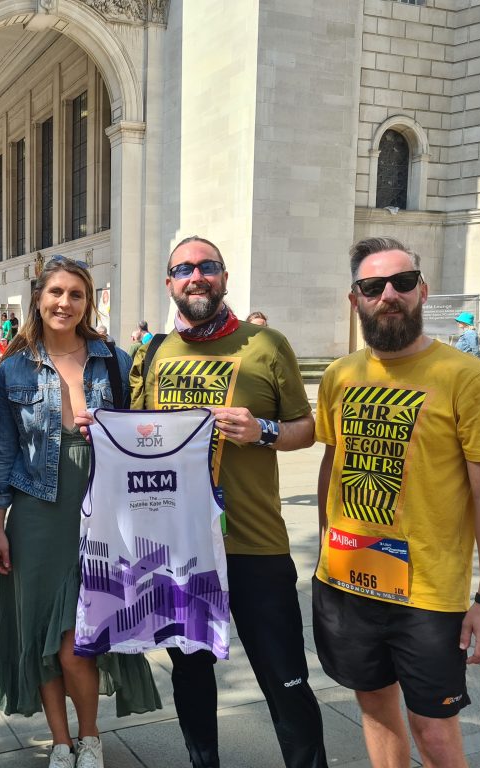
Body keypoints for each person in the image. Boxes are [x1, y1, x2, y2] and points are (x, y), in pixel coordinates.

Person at [313, 237, 480, 768]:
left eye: (402, 283)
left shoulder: (466, 376)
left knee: (435, 731)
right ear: (354, 298)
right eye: (372, 286)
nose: (389, 295)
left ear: (422, 290)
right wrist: (322, 544)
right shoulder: (340, 375)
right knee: (376, 709)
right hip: (348, 578)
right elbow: (332, 462)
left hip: (428, 594)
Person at [125, 235, 327, 768]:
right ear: (169, 283)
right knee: (191, 678)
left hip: (256, 543)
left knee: (285, 678)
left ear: (224, 278)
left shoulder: (266, 344)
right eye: (184, 269)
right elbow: (136, 437)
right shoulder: (152, 353)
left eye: (207, 266)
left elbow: (307, 429)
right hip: (181, 546)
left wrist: (261, 430)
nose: (197, 276)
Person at [0, 256, 160, 768]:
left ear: (88, 302)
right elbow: (4, 452)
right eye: (56, 292)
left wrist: (108, 430)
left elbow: (140, 436)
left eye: (76, 294)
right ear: (39, 298)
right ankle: (61, 742)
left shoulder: (114, 360)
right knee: (41, 633)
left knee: (78, 640)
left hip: (100, 509)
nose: (65, 302)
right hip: (38, 513)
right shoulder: (12, 368)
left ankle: (91, 737)